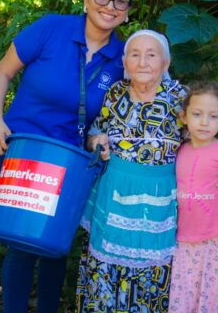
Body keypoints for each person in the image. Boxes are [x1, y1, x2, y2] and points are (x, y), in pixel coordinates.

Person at [0, 0, 133, 312]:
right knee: (21, 242)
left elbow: (129, 104)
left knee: (56, 243)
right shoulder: (52, 27)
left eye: (120, 1)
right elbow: (3, 72)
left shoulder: (124, 56)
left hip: (69, 162)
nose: (110, 6)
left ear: (127, 10)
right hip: (19, 151)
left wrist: (97, 135)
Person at [76, 29, 187, 312]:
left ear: (165, 63)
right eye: (135, 55)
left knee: (153, 272)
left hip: (158, 198)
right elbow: (95, 131)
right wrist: (96, 140)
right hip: (114, 192)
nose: (143, 62)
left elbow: (202, 140)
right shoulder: (115, 93)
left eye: (152, 55)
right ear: (125, 63)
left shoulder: (180, 98)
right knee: (105, 268)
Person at [169, 81, 218, 313]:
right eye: (197, 114)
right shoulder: (178, 150)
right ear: (184, 116)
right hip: (182, 244)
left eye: (212, 116)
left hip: (216, 242)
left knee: (211, 304)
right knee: (182, 304)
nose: (204, 122)